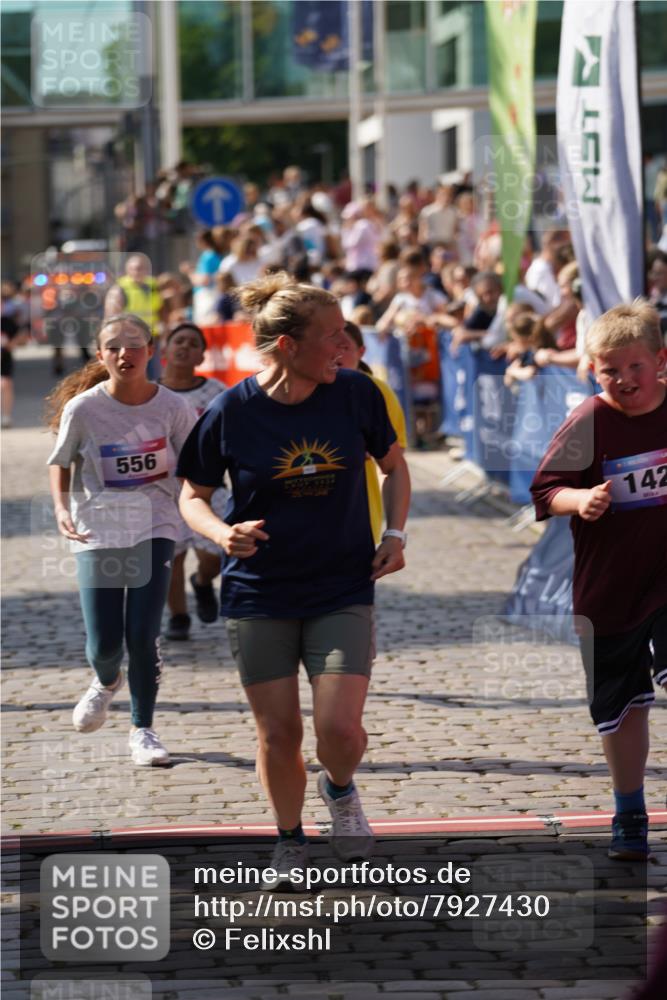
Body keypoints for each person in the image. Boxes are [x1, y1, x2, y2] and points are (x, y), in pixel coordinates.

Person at [177, 273, 410, 884]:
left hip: (342, 584)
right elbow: (191, 495)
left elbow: (395, 469)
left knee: (339, 730)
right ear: (287, 345)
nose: (344, 347)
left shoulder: (356, 394)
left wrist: (396, 535)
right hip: (260, 592)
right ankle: (289, 838)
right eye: (332, 337)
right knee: (279, 733)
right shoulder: (231, 410)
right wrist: (220, 533)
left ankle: (340, 789)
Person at [530, 302, 667, 861]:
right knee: (624, 707)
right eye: (610, 370)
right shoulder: (589, 419)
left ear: (660, 360)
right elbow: (546, 490)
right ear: (592, 369)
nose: (624, 380)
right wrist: (580, 498)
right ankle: (629, 810)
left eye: (634, 367)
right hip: (610, 590)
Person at [46, 313, 195, 766]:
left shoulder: (172, 407)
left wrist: (193, 503)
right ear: (100, 355)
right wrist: (60, 508)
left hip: (156, 524)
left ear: (152, 351)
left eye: (134, 345)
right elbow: (61, 460)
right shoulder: (85, 408)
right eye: (113, 346)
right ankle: (106, 680)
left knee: (143, 633)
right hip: (99, 527)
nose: (124, 353)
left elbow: (193, 463)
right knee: (105, 643)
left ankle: (143, 729)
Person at [158, 322, 227, 641]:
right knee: (171, 557)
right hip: (161, 488)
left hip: (207, 486)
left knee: (213, 556)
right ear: (164, 351)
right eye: (178, 341)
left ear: (202, 356)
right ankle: (179, 616)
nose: (185, 347)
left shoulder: (216, 392)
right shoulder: (149, 393)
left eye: (193, 344)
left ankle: (202, 582)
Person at [339, 320, 408, 544]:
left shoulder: (377, 392)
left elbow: (395, 457)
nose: (338, 354)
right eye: (333, 346)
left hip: (363, 507)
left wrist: (394, 532)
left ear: (361, 352)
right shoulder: (310, 388)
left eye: (345, 347)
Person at [105, 256, 164, 381]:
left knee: (155, 375)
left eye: (141, 269)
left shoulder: (153, 285)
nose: (138, 272)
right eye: (134, 269)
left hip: (152, 337)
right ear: (128, 270)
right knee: (134, 375)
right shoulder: (120, 289)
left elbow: (161, 309)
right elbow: (111, 317)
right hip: (130, 340)